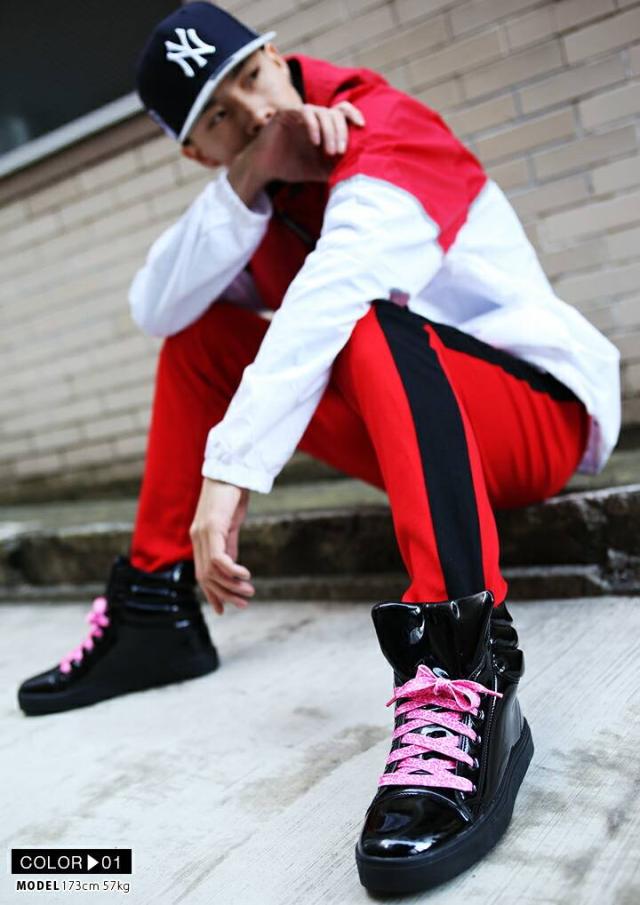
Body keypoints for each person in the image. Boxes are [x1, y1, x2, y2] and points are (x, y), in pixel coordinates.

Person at [17, 2, 621, 893]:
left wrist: (229, 472)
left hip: (533, 420)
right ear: (198, 152)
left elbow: (333, 293)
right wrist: (249, 182)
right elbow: (156, 305)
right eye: (221, 117)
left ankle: (463, 665)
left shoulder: (388, 129)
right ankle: (152, 610)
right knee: (199, 338)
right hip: (413, 438)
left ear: (278, 54)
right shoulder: (250, 179)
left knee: (363, 316)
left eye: (251, 77)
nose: (256, 112)